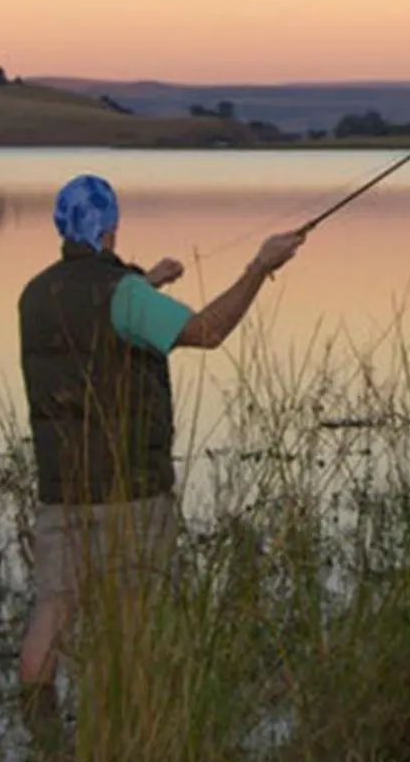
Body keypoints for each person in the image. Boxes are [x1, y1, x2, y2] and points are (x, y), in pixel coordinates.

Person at [16, 172, 304, 703]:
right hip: (130, 490)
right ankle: (133, 727)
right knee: (138, 611)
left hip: (61, 490)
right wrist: (260, 267)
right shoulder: (120, 293)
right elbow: (207, 331)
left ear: (64, 228)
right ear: (111, 227)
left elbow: (89, 327)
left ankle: (38, 730)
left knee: (52, 609)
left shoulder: (35, 294)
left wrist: (147, 284)